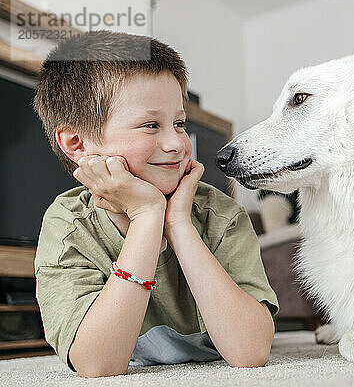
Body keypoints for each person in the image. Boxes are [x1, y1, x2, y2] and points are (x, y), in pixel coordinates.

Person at [33, 30, 279, 378]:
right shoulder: (68, 226)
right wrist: (148, 217)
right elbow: (99, 365)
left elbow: (250, 351)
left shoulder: (220, 216)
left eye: (179, 123)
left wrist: (177, 224)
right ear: (77, 143)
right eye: (151, 125)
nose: (177, 143)